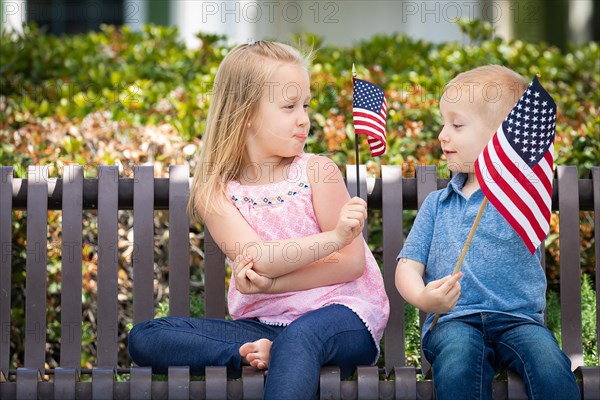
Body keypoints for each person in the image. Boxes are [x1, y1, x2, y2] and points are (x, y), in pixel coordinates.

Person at [128, 40, 389, 400]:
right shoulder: (214, 192)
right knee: (147, 337)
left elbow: (349, 263)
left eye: (305, 105)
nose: (304, 118)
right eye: (288, 107)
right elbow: (258, 258)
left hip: (340, 317)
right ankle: (254, 353)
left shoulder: (318, 172)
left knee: (301, 338)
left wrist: (271, 284)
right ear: (245, 113)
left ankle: (280, 352)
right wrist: (332, 238)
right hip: (264, 326)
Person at [394, 65, 579, 400]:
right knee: (460, 359)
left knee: (549, 364)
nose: (442, 135)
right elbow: (407, 266)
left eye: (457, 124)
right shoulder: (438, 204)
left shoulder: (521, 199)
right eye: (443, 123)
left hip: (518, 320)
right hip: (454, 321)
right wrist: (423, 298)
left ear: (501, 139)